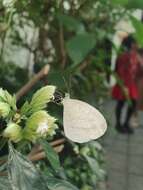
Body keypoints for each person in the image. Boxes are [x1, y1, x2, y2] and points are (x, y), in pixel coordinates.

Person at [112, 36, 139, 134]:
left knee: (132, 103)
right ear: (131, 44)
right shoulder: (124, 55)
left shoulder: (132, 54)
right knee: (122, 103)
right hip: (124, 84)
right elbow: (119, 71)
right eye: (135, 43)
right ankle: (119, 124)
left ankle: (125, 123)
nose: (137, 44)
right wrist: (124, 86)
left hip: (130, 83)